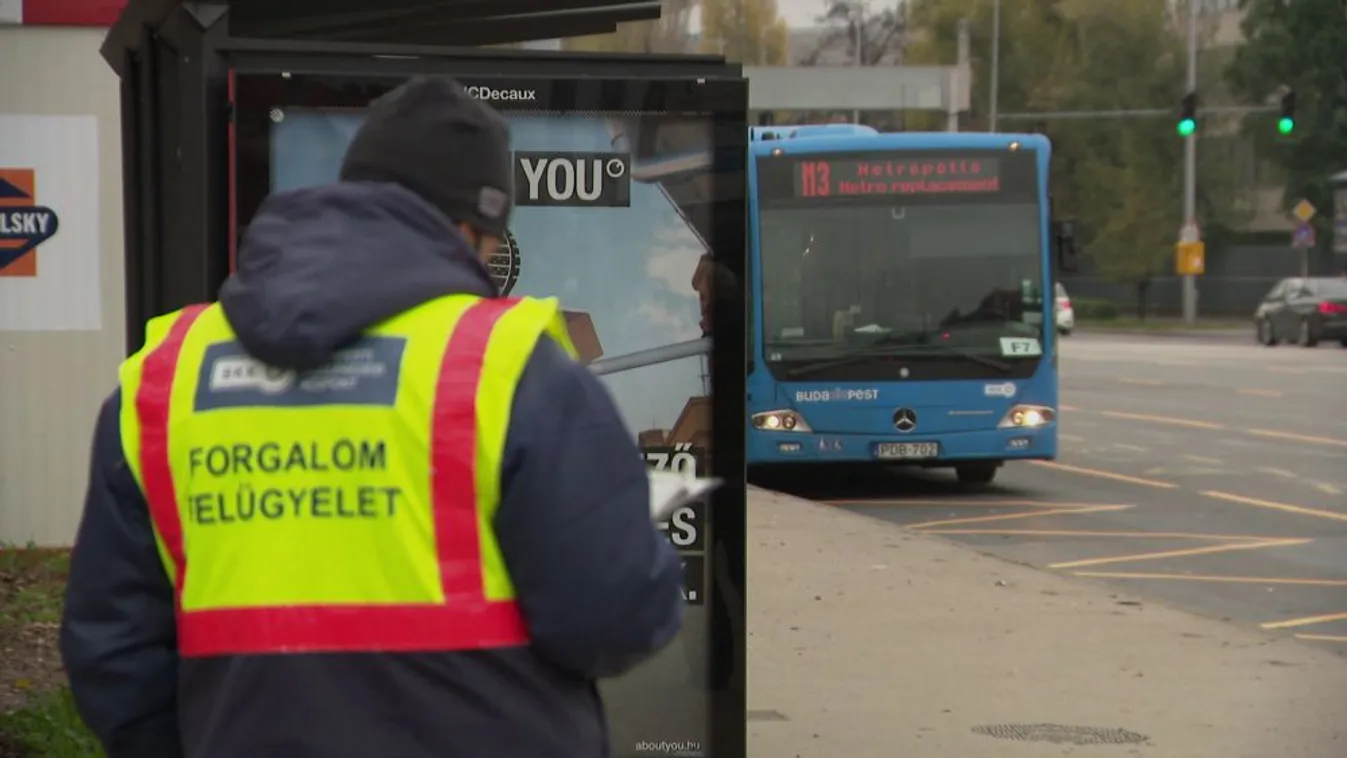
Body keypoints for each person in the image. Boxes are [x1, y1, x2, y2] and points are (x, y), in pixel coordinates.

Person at [59, 77, 686, 758]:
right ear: (473, 230)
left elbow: (112, 647)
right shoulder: (506, 367)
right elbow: (614, 612)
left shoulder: (165, 376)